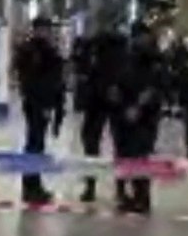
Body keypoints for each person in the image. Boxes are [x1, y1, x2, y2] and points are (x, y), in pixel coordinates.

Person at [112, 23, 164, 214]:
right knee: (124, 154)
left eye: (144, 37)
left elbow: (156, 87)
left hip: (145, 117)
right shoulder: (124, 58)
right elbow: (116, 85)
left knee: (140, 155)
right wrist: (122, 106)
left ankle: (142, 196)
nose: (142, 40)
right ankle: (123, 194)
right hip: (122, 115)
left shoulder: (154, 60)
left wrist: (139, 107)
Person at [13, 16, 65, 204]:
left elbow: (56, 80)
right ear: (35, 30)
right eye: (42, 29)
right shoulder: (30, 51)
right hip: (35, 103)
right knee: (34, 144)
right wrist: (41, 104)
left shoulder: (49, 51)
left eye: (47, 29)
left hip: (45, 104)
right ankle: (30, 187)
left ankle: (35, 185)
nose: (46, 33)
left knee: (38, 144)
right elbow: (30, 81)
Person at [76, 30, 124, 203]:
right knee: (120, 145)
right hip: (114, 101)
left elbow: (84, 75)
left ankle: (90, 187)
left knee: (91, 144)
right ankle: (121, 189)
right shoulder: (121, 51)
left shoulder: (94, 50)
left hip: (97, 102)